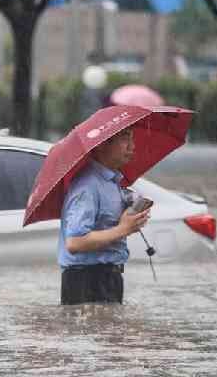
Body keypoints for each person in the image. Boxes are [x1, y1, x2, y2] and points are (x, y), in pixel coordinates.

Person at [58, 126, 151, 305]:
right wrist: (123, 229)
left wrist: (131, 214)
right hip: (86, 280)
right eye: (125, 138)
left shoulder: (113, 182)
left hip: (109, 277)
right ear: (102, 144)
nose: (132, 146)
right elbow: (75, 242)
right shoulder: (87, 186)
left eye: (132, 138)